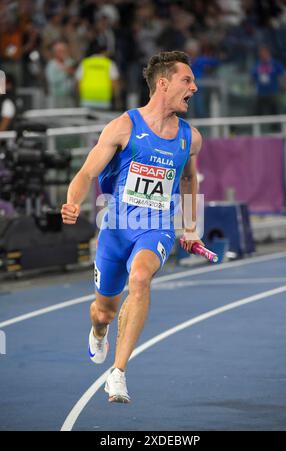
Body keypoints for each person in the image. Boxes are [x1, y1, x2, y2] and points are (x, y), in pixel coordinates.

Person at [61, 50, 203, 403]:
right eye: (187, 80)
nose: (194, 87)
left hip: (155, 229)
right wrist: (73, 201)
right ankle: (98, 331)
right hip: (115, 228)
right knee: (104, 311)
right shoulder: (124, 126)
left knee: (140, 279)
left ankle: (118, 374)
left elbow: (188, 180)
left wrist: (189, 227)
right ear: (163, 83)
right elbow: (87, 173)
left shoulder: (190, 138)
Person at [76, 42, 121, 110]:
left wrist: (78, 98)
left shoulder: (85, 63)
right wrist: (117, 99)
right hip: (104, 100)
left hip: (86, 99)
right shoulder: (109, 63)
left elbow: (78, 82)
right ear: (103, 52)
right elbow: (114, 83)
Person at [251, 45, 286, 115]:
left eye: (263, 52)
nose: (261, 55)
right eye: (260, 53)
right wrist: (250, 87)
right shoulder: (258, 64)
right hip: (260, 93)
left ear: (268, 53)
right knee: (257, 113)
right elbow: (253, 76)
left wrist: (284, 85)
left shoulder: (275, 63)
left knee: (274, 112)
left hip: (273, 93)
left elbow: (283, 75)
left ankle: (275, 125)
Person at [45, 40, 76, 108]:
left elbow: (75, 74)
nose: (63, 53)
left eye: (64, 50)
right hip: (56, 97)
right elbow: (53, 80)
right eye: (60, 51)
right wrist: (65, 72)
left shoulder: (69, 62)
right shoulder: (51, 65)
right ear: (55, 52)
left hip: (69, 97)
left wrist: (68, 69)